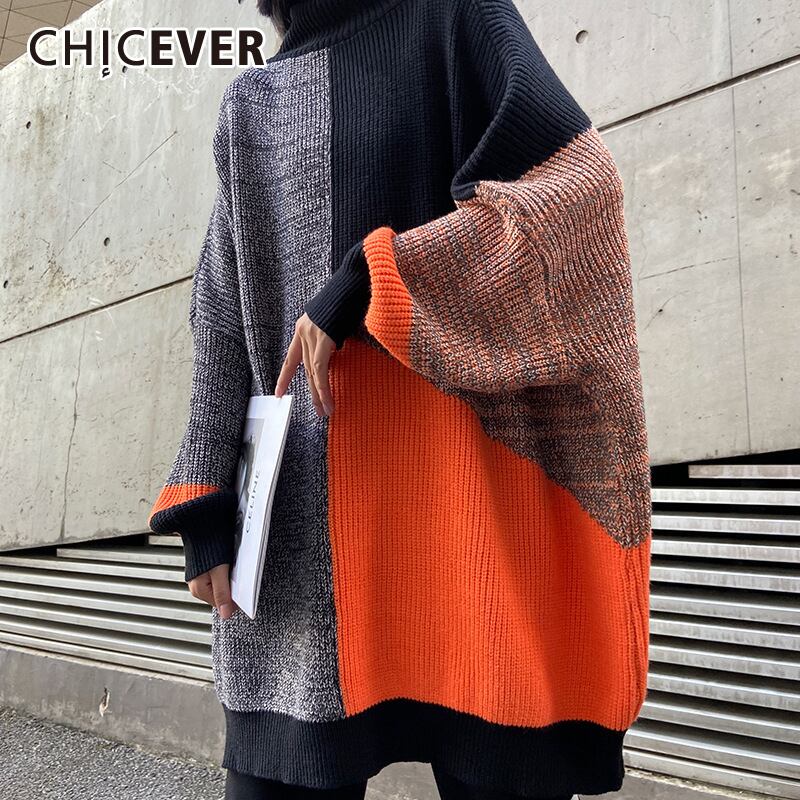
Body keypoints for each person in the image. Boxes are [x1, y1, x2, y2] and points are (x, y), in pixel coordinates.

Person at [147, 0, 652, 798]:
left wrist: (372, 278)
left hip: (470, 522)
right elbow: (220, 308)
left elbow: (577, 195)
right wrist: (204, 497)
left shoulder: (453, 17)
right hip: (306, 534)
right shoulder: (252, 103)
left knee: (496, 753)